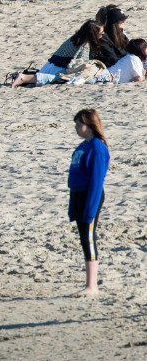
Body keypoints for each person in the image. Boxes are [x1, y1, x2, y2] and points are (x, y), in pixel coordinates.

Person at [67, 108, 110, 297]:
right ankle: (89, 285)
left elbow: (96, 180)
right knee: (84, 238)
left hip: (90, 196)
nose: (76, 128)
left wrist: (90, 207)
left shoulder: (97, 147)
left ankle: (92, 287)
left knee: (89, 238)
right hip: (78, 196)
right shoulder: (82, 146)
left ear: (89, 125)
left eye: (79, 124)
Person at [10, 20, 103, 88]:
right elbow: (77, 65)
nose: (102, 35)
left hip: (50, 66)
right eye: (101, 33)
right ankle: (23, 77)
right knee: (61, 79)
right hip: (56, 69)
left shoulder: (76, 38)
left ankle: (24, 78)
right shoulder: (83, 45)